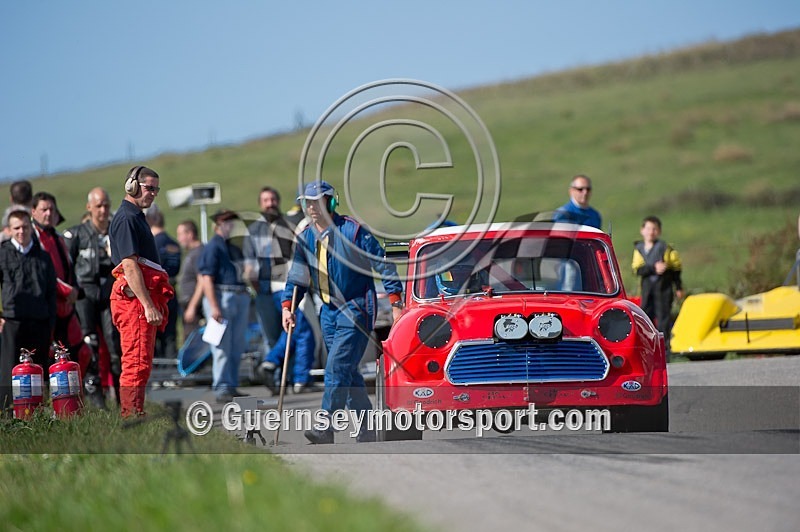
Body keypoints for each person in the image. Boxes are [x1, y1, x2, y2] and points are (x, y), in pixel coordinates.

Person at [282, 181, 403, 444]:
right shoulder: (306, 238)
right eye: (308, 202)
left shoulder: (355, 231)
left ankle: (326, 426)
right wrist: (287, 308)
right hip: (328, 311)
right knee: (347, 371)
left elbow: (383, 265)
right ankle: (367, 427)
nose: (312, 207)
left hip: (357, 307)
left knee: (336, 367)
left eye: (317, 201)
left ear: (331, 202)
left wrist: (395, 302)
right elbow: (296, 279)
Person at [109, 165, 174, 417]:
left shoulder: (136, 216)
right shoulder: (126, 218)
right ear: (132, 186)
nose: (153, 194)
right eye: (149, 188)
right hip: (134, 302)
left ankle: (135, 411)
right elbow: (129, 266)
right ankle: (131, 414)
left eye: (157, 189)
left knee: (141, 362)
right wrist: (148, 304)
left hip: (138, 299)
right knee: (136, 362)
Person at [243, 186, 315, 394]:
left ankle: (283, 373)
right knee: (296, 332)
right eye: (266, 200)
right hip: (276, 286)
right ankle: (282, 370)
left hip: (284, 284)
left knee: (293, 330)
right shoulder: (261, 229)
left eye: (273, 199)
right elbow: (250, 266)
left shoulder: (286, 223)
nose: (270, 203)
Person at [63, 187, 121, 407]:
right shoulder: (76, 234)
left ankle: (122, 398)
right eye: (98, 205)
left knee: (115, 347)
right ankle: (95, 400)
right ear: (89, 207)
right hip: (85, 296)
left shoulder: (116, 233)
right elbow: (64, 265)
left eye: (106, 204)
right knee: (90, 345)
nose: (103, 210)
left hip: (109, 295)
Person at [0, 207, 57, 413]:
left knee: (37, 369)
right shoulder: (2, 253)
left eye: (25, 227)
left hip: (39, 321)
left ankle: (37, 411)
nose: (21, 232)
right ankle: (7, 414)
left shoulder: (43, 257)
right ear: (9, 229)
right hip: (12, 321)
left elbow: (51, 292)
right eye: (16, 228)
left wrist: (51, 322)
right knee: (8, 370)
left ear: (31, 228)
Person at [30, 192, 92, 375]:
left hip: (67, 307)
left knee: (82, 352)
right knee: (47, 357)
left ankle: (76, 399)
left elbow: (70, 267)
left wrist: (76, 289)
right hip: (47, 307)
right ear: (34, 212)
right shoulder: (33, 239)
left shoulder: (58, 237)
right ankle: (50, 400)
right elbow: (43, 273)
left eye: (52, 209)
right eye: (44, 209)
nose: (48, 214)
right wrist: (66, 290)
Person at [197, 209, 251, 403]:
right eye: (227, 222)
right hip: (221, 296)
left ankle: (231, 385)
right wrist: (214, 306)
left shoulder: (233, 247)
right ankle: (221, 387)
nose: (231, 226)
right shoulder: (213, 246)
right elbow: (206, 278)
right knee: (221, 346)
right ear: (218, 224)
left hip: (237, 294)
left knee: (236, 345)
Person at [632, 216, 684, 355]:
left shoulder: (666, 249)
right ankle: (645, 348)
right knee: (645, 317)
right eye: (648, 228)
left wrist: (678, 287)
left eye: (654, 229)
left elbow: (676, 269)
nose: (651, 232)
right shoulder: (639, 249)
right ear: (642, 230)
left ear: (659, 231)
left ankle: (664, 349)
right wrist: (653, 268)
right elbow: (637, 269)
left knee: (663, 318)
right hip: (647, 288)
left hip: (664, 288)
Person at [146, 204, 181, 358]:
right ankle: (172, 371)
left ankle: (160, 374)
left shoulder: (153, 244)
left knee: (155, 336)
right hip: (172, 292)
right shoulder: (174, 244)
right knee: (171, 335)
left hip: (157, 294)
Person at [176, 220, 204, 340]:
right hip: (186, 305)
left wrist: (192, 306)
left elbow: (202, 281)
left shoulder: (199, 253)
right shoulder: (192, 253)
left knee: (192, 341)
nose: (179, 239)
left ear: (190, 234)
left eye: (181, 234)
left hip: (195, 307)